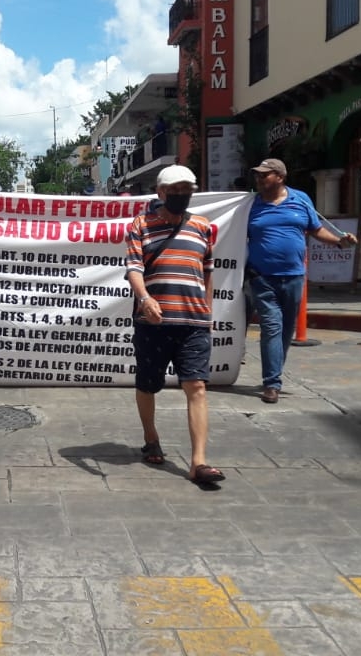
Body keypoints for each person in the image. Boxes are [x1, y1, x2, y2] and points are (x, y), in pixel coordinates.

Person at [124, 164, 223, 486]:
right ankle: (151, 438)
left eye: (186, 189)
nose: (181, 195)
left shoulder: (203, 227)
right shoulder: (141, 225)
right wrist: (145, 299)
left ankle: (198, 462)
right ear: (161, 192)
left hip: (193, 321)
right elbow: (134, 268)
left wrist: (207, 311)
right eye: (175, 189)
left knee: (196, 386)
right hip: (153, 322)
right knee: (148, 383)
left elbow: (207, 271)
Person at [246, 158, 356, 404]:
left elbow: (316, 229)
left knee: (286, 331)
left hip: (294, 276)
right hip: (262, 277)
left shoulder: (301, 199)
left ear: (280, 177)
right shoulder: (251, 204)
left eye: (265, 175)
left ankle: (274, 370)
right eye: (258, 175)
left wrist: (339, 240)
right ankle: (272, 383)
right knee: (271, 328)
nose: (260, 179)